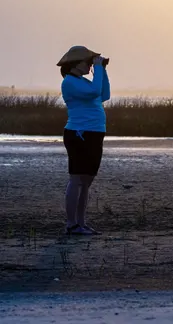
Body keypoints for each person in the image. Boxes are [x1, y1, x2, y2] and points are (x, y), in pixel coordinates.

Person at [57, 46, 111, 235]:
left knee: (86, 181)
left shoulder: (84, 82)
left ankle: (81, 222)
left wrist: (102, 70)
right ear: (75, 64)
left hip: (95, 133)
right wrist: (98, 69)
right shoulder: (70, 82)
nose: (89, 65)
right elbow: (95, 92)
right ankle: (71, 224)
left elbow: (104, 94)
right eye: (87, 62)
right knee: (76, 178)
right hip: (79, 133)